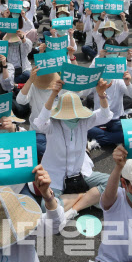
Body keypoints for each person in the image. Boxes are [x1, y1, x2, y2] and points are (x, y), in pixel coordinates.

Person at [34, 79, 113, 220]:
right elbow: (40, 122)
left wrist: (101, 95)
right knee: (46, 210)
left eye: (74, 114)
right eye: (68, 114)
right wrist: (53, 94)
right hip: (55, 177)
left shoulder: (84, 121)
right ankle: (86, 197)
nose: (72, 118)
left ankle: (75, 207)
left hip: (79, 172)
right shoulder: (52, 124)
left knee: (113, 183)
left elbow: (105, 115)